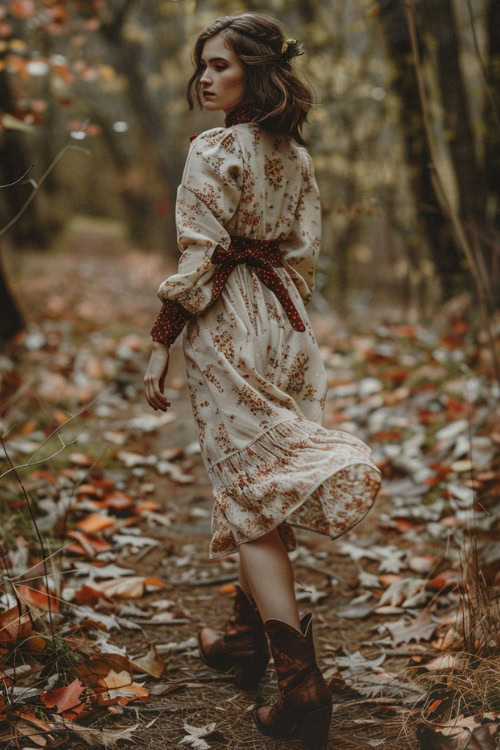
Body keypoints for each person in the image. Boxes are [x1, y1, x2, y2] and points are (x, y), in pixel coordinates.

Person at [144, 12, 382, 748]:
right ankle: (248, 641)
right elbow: (302, 256)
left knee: (249, 497)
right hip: (289, 322)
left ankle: (299, 686)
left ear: (255, 69)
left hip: (231, 320)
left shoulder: (213, 148)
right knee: (265, 479)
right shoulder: (293, 155)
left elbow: (203, 255)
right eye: (202, 66)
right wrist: (282, 319)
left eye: (219, 64)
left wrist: (164, 339)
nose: (205, 78)